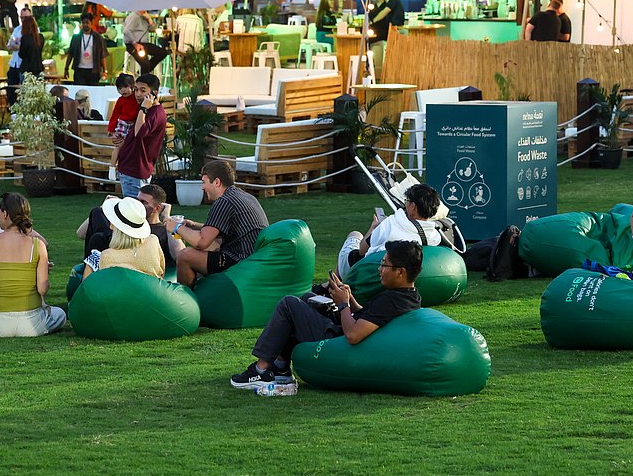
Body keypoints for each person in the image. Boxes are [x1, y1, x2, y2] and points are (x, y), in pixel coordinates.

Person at [230, 240, 423, 394]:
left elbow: (353, 335)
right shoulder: (409, 296)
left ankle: (261, 370)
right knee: (309, 299)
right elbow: (372, 319)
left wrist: (343, 304)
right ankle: (280, 368)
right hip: (351, 335)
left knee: (289, 304)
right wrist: (350, 299)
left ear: (400, 272)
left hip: (338, 343)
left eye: (384, 264)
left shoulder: (392, 300)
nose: (380, 269)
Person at [0, 192, 66, 338]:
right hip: (32, 324)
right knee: (60, 314)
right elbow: (42, 289)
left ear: (5, 214)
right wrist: (42, 275)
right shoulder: (38, 245)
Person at [172, 159, 268, 287]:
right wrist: (193, 225)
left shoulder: (224, 201)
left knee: (185, 255)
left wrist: (176, 227)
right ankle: (201, 286)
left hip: (241, 262)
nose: (202, 187)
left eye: (204, 182)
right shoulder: (244, 196)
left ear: (217, 182)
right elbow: (221, 228)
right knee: (209, 246)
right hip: (255, 257)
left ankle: (184, 296)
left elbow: (201, 241)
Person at [336, 183, 442, 278]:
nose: (405, 204)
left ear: (413, 206)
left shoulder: (390, 224)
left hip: (365, 270)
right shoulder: (434, 236)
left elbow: (362, 250)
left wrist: (373, 228)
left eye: (407, 201)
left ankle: (333, 282)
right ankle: (331, 284)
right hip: (398, 274)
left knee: (355, 235)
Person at [81, 195, 166, 280]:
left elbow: (89, 285)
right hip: (150, 286)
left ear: (112, 225)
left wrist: (91, 262)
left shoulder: (107, 256)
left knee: (96, 228)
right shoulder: (153, 240)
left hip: (116, 286)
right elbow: (161, 271)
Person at [114, 73, 167, 197]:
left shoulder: (154, 112)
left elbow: (139, 132)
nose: (137, 94)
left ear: (154, 93)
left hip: (136, 170)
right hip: (130, 168)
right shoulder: (147, 110)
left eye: (143, 90)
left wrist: (143, 109)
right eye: (136, 90)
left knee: (135, 208)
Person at [107, 73, 138, 178]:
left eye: (125, 87)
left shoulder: (137, 98)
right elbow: (115, 114)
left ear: (132, 86)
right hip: (123, 123)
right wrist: (111, 129)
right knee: (119, 146)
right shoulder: (121, 100)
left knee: (132, 146)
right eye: (120, 88)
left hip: (135, 123)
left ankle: (130, 166)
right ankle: (112, 167)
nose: (123, 90)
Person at [367, 0, 403, 70]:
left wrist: (373, 21)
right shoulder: (391, 1)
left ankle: (376, 66)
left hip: (392, 29)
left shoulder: (393, 0)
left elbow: (384, 12)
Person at [123, 10, 168, 76]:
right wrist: (135, 44)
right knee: (145, 64)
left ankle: (145, 71)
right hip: (132, 44)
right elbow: (126, 31)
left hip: (144, 43)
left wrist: (149, 19)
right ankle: (145, 75)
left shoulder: (144, 17)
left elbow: (152, 29)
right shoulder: (134, 16)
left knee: (162, 53)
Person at [64, 15, 106, 85]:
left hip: (94, 71)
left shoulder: (98, 38)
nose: (85, 25)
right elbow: (70, 54)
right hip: (79, 70)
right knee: (80, 89)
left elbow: (102, 55)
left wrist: (105, 70)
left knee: (93, 89)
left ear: (91, 23)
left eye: (87, 22)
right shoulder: (76, 38)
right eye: (83, 23)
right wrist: (66, 69)